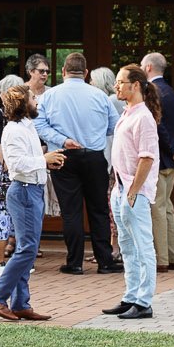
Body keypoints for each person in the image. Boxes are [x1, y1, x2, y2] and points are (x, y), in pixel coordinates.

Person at [36, 53, 122, 275]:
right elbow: (115, 125)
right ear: (85, 73)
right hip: (94, 156)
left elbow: (39, 125)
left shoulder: (49, 96)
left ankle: (74, 262)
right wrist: (95, 134)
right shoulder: (100, 96)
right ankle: (105, 261)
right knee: (99, 210)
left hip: (63, 156)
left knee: (71, 211)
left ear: (63, 71)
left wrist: (62, 139)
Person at [0, 84, 64, 321]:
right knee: (28, 249)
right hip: (24, 191)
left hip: (33, 190)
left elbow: (30, 161)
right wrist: (43, 159)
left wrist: (47, 163)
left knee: (26, 248)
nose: (36, 101)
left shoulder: (28, 127)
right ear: (22, 103)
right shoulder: (14, 131)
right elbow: (16, 165)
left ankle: (20, 303)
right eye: (32, 98)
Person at [103, 65, 162, 320]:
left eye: (120, 82)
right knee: (127, 245)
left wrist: (133, 191)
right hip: (121, 188)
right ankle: (130, 296)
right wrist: (120, 190)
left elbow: (147, 158)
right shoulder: (127, 113)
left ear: (135, 85)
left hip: (133, 191)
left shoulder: (143, 117)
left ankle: (144, 301)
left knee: (142, 246)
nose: (116, 86)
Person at [142, 52, 174, 273]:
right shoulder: (171, 92)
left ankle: (161, 260)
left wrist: (172, 149)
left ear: (148, 67)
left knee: (158, 209)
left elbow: (158, 125)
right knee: (167, 208)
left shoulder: (151, 92)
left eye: (142, 65)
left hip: (160, 160)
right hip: (172, 161)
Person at [0, 72, 24, 258]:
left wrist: (8, 166)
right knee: (17, 209)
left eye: (1, 91)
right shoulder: (26, 117)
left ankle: (1, 257)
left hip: (6, 169)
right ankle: (19, 253)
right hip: (17, 168)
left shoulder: (0, 114)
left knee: (2, 209)